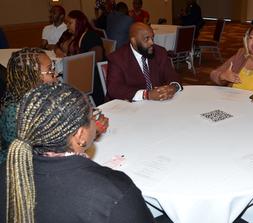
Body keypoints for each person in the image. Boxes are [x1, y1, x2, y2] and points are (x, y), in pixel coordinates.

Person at [0, 83, 155, 223]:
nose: (95, 120)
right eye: (92, 116)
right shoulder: (114, 191)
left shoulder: (9, 169)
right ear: (80, 135)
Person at [0, 48, 59, 164]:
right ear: (31, 77)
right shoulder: (16, 113)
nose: (55, 74)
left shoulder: (42, 95)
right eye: (49, 70)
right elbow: (31, 154)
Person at [107, 22, 182, 101]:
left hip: (157, 105)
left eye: (152, 38)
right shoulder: (117, 58)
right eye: (147, 39)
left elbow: (171, 74)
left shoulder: (160, 52)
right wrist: (147, 95)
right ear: (133, 41)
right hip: (129, 105)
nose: (151, 42)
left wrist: (173, 87)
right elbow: (114, 89)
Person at [55, 10, 105, 105]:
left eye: (70, 23)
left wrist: (74, 64)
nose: (67, 25)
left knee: (58, 80)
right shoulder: (73, 34)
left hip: (92, 79)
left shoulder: (91, 36)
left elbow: (97, 59)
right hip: (80, 71)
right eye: (67, 23)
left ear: (79, 22)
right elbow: (58, 45)